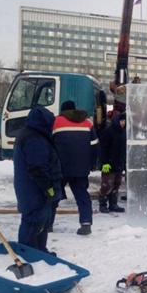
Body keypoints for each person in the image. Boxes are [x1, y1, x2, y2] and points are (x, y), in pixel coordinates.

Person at [13, 106, 62, 254]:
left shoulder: (31, 135)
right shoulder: (35, 139)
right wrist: (48, 187)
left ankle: (40, 252)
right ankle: (26, 254)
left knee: (42, 222)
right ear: (44, 122)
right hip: (34, 190)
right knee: (33, 222)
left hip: (33, 190)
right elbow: (37, 168)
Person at [51, 100, 99, 235]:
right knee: (82, 196)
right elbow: (94, 145)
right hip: (81, 168)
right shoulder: (87, 123)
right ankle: (86, 223)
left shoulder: (56, 122)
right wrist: (91, 163)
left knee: (53, 196)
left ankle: (48, 224)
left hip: (61, 168)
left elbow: (49, 145)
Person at [98, 112, 126, 213]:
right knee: (107, 185)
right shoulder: (108, 132)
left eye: (124, 121)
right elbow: (103, 148)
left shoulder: (123, 133)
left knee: (116, 185)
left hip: (119, 164)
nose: (123, 123)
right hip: (109, 164)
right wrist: (104, 162)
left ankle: (113, 204)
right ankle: (103, 204)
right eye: (121, 120)